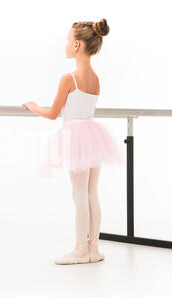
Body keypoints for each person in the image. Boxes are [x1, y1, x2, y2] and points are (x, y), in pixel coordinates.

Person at [22, 19, 123, 265]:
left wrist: (34, 107)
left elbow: (53, 113)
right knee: (91, 193)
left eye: (68, 41)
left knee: (79, 194)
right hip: (94, 136)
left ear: (77, 45)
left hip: (76, 137)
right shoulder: (96, 78)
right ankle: (93, 247)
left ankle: (80, 249)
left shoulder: (70, 78)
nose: (66, 45)